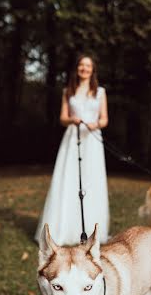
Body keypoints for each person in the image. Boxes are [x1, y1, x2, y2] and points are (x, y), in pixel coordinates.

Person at [34, 54, 109, 245]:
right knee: (68, 180)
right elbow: (62, 118)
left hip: (91, 141)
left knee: (91, 181)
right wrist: (72, 120)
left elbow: (104, 119)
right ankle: (63, 229)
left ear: (93, 70)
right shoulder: (68, 91)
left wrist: (95, 124)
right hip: (72, 139)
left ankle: (91, 230)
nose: (84, 68)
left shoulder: (100, 92)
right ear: (77, 68)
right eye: (82, 65)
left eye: (88, 66)